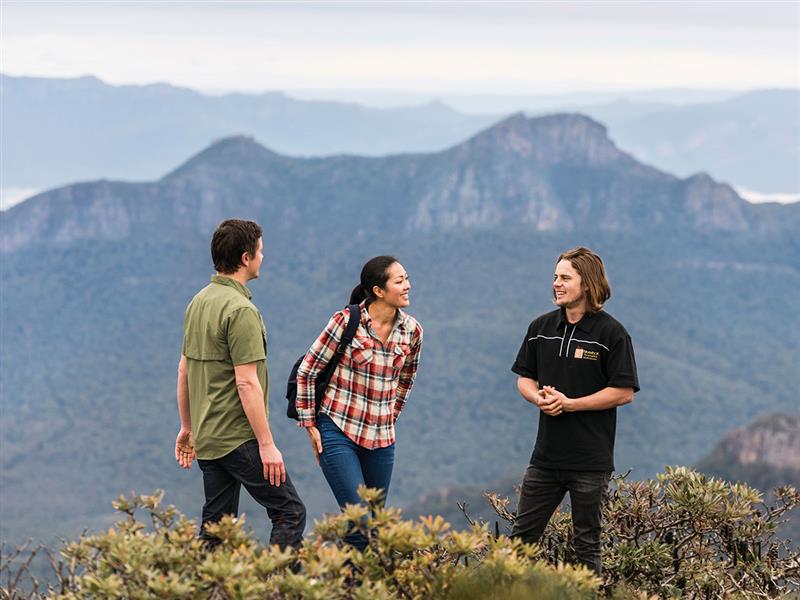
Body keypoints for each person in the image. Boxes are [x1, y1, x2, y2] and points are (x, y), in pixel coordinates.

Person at [175, 219, 306, 550]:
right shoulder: (241, 310)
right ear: (246, 258)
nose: (264, 257)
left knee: (218, 529)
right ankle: (278, 586)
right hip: (238, 437)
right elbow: (247, 383)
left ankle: (209, 588)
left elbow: (183, 370)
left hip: (208, 436)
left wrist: (187, 427)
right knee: (289, 512)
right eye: (260, 251)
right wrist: (266, 444)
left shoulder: (198, 302)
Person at [510, 246, 639, 575]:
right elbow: (525, 378)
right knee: (521, 542)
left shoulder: (612, 334)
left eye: (565, 278)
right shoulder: (541, 327)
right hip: (545, 458)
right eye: (555, 277)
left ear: (587, 284)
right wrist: (538, 398)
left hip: (590, 462)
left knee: (586, 544)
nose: (556, 283)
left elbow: (623, 392)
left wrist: (570, 404)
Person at [295, 256, 423, 550]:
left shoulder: (412, 331)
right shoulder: (346, 322)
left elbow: (406, 380)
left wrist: (390, 417)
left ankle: (356, 585)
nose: (408, 286)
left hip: (382, 439)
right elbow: (308, 370)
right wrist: (310, 426)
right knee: (359, 523)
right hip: (338, 430)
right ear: (379, 290)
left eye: (407, 278)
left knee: (374, 528)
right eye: (400, 280)